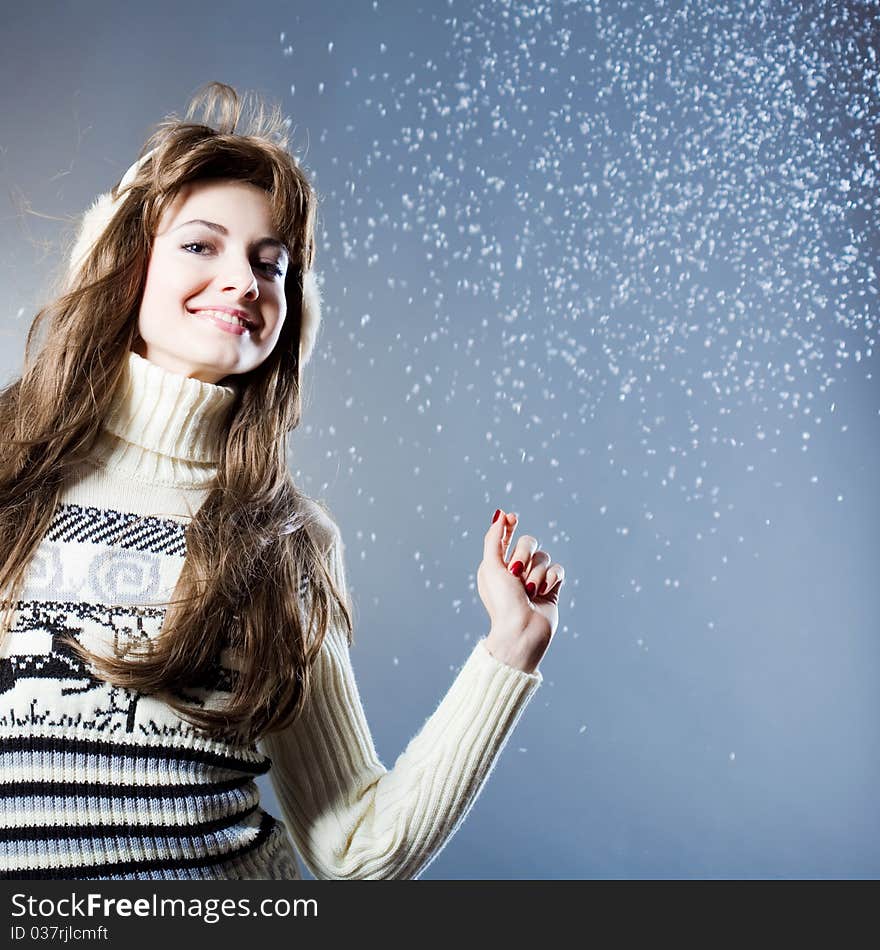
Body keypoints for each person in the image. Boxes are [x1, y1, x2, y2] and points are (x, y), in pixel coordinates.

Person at [0, 82, 566, 880]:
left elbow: (356, 848)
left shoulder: (290, 542)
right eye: (201, 246)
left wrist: (514, 646)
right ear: (123, 265)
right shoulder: (10, 474)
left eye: (272, 265)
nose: (244, 282)